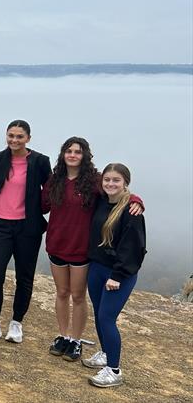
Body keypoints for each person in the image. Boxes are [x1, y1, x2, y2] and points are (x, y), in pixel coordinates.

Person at [42, 138, 143, 361]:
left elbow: (116, 192)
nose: (72, 155)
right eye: (69, 151)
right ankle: (63, 336)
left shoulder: (94, 181)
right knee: (61, 293)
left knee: (78, 296)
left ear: (84, 155)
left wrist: (136, 200)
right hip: (56, 244)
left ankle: (76, 340)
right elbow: (42, 205)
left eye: (78, 152)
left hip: (81, 248)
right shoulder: (55, 180)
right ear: (63, 154)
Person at [0, 119, 50, 343]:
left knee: (24, 277)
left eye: (19, 136)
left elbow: (51, 190)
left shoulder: (40, 161)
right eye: (11, 136)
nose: (14, 140)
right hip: (1, 226)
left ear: (28, 138)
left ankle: (16, 323)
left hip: (28, 227)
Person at [83, 163, 146, 388]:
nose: (111, 184)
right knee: (99, 314)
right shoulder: (101, 201)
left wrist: (117, 276)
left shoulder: (131, 211)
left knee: (106, 318)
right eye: (107, 179)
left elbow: (133, 248)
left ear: (125, 182)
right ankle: (105, 353)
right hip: (97, 267)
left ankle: (114, 370)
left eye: (116, 180)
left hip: (118, 274)